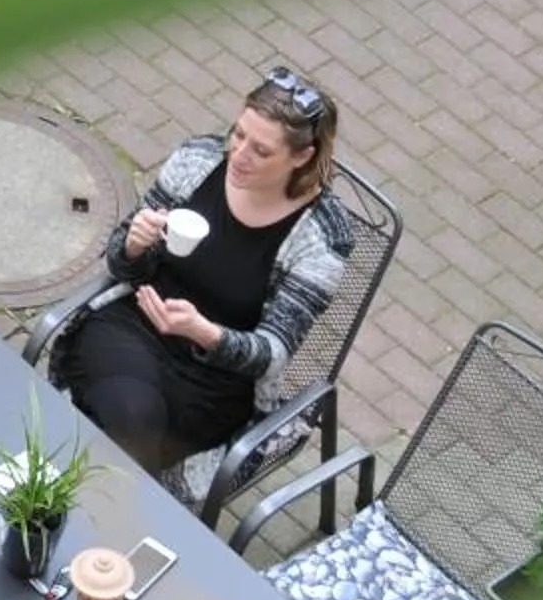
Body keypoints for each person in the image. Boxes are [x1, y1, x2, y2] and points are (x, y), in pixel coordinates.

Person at [58, 65, 351, 473]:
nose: (239, 155)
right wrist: (133, 244)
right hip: (134, 328)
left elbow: (271, 353)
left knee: (128, 434)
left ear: (302, 156)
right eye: (239, 133)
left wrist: (205, 334)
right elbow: (122, 266)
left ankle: (57, 499)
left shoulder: (321, 239)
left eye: (261, 151)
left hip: (214, 378)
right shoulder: (198, 160)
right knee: (131, 419)